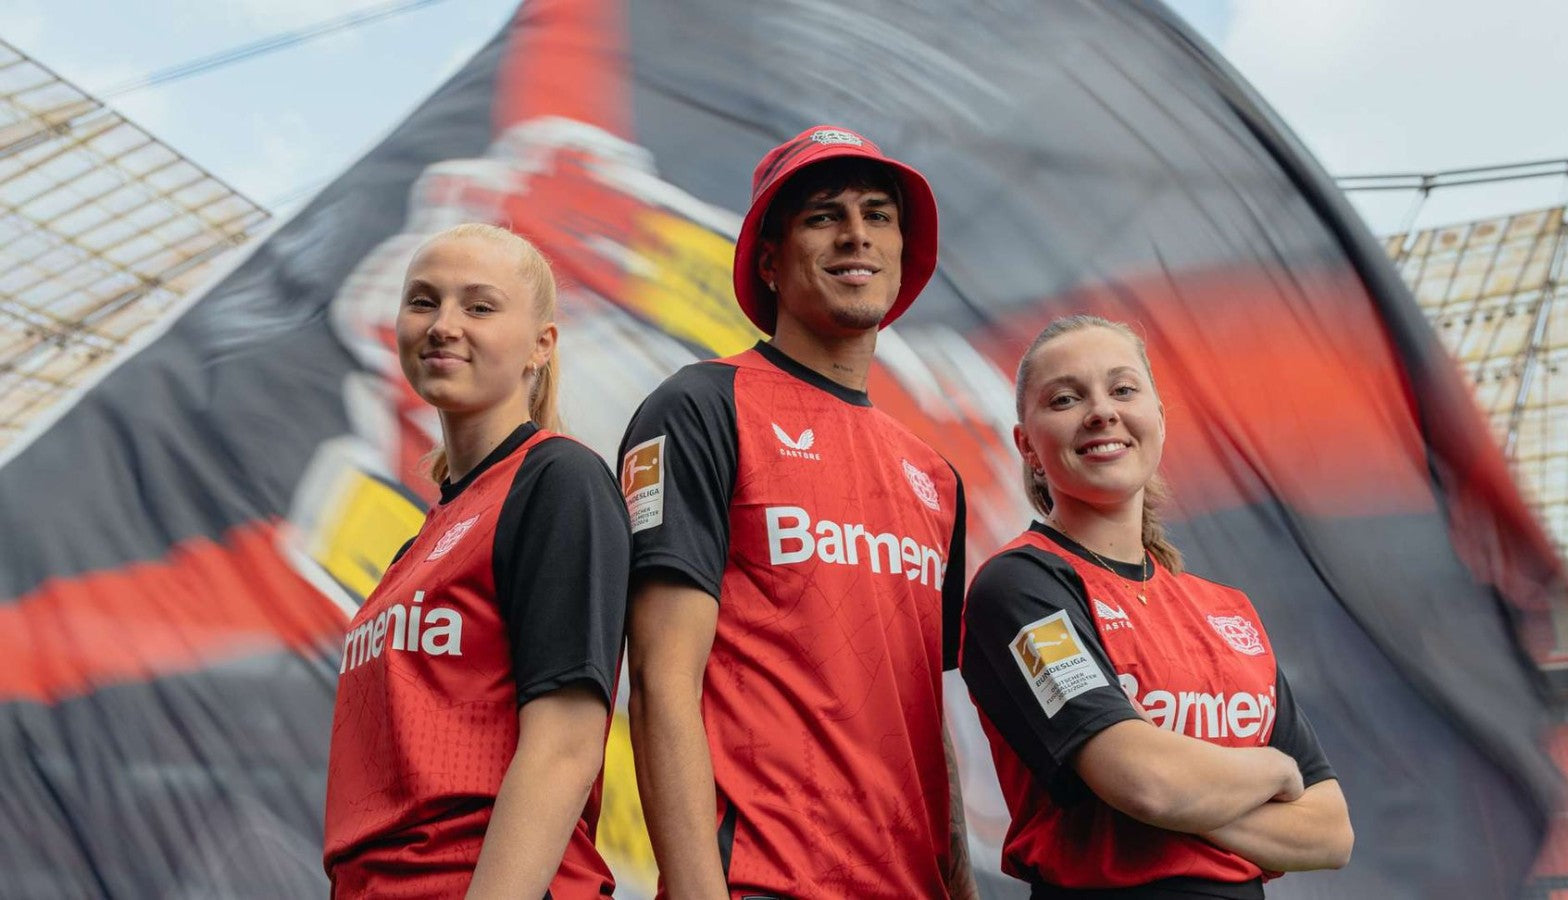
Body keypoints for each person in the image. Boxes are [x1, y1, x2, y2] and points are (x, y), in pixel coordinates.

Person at [619, 125, 978, 899]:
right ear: (771, 262)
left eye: (879, 214)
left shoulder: (935, 477)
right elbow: (658, 677)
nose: (857, 234)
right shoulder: (702, 406)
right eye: (823, 215)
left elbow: (924, 717)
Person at [960, 315, 1354, 898]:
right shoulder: (1020, 586)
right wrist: (1275, 770)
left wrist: (1181, 793)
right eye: (1066, 399)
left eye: (1123, 390)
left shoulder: (1228, 612)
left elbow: (1330, 831)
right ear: (1028, 447)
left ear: (1159, 421)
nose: (1101, 412)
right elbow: (1144, 783)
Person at [323, 223, 629, 899]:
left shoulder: (558, 480)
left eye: (479, 306)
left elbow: (565, 746)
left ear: (540, 345)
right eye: (423, 301)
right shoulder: (420, 542)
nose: (443, 325)